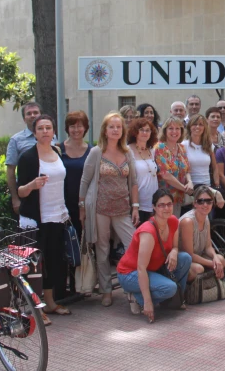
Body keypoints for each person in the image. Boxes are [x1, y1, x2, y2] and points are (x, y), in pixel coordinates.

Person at [79, 112, 139, 307]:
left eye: (118, 127)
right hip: (100, 208)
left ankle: (133, 285)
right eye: (111, 126)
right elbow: (85, 180)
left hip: (122, 209)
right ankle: (106, 290)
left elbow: (133, 183)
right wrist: (82, 206)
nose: (115, 130)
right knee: (103, 250)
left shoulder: (128, 152)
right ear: (105, 130)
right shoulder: (97, 152)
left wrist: (135, 206)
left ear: (123, 130)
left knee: (134, 245)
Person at [16, 114, 70, 322]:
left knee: (55, 261)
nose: (45, 131)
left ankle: (50, 303)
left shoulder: (57, 151)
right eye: (41, 128)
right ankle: (35, 308)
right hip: (38, 219)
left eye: (48, 128)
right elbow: (20, 191)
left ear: (54, 131)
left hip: (58, 216)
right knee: (36, 265)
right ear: (34, 132)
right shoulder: (28, 157)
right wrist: (32, 185)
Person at [117, 189, 192, 322]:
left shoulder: (173, 221)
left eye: (169, 204)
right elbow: (141, 268)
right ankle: (138, 298)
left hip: (154, 268)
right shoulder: (148, 231)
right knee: (169, 288)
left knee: (185, 258)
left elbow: (175, 246)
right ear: (154, 207)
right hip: (130, 273)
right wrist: (148, 302)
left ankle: (176, 299)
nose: (166, 208)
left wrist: (174, 252)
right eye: (161, 205)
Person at [58, 111, 92, 295]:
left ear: (85, 128)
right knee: (62, 245)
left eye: (80, 125)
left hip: (83, 207)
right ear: (67, 128)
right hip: (60, 205)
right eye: (72, 126)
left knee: (79, 245)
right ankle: (61, 289)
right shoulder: (58, 149)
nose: (76, 129)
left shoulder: (92, 150)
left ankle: (79, 286)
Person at [179, 186, 225, 282]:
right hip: (184, 260)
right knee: (198, 269)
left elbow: (208, 246)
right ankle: (187, 290)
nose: (205, 204)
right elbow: (189, 254)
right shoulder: (188, 221)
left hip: (198, 255)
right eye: (201, 201)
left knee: (221, 259)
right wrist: (212, 263)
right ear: (195, 203)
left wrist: (215, 258)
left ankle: (207, 283)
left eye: (209, 201)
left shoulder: (205, 217)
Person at [7, 102, 43, 215]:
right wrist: (15, 198)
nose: (33, 115)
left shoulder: (52, 137)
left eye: (36, 112)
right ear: (24, 119)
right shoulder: (16, 140)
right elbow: (10, 170)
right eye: (29, 113)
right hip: (27, 193)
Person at [154, 117, 193, 217]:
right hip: (165, 198)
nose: (174, 131)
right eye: (171, 128)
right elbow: (165, 175)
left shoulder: (181, 147)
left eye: (177, 128)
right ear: (165, 130)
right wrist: (185, 189)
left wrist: (190, 182)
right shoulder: (160, 148)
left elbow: (187, 169)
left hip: (179, 197)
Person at [182, 114, 219, 213]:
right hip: (191, 190)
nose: (197, 127)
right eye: (195, 124)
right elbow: (184, 168)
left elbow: (215, 168)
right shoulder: (183, 145)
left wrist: (217, 185)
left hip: (207, 188)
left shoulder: (208, 145)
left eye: (201, 124)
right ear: (190, 126)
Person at [127, 118, 159, 224]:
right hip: (137, 203)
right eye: (141, 129)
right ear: (135, 132)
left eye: (148, 130)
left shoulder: (152, 151)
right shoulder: (127, 150)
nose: (145, 133)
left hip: (153, 202)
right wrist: (134, 206)